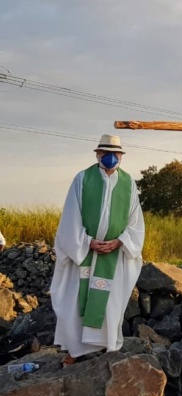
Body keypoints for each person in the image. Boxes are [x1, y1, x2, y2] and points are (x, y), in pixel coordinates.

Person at [51, 135, 145, 365]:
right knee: (76, 301)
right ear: (98, 154)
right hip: (84, 252)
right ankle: (75, 350)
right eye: (105, 153)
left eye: (116, 154)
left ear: (121, 156)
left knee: (111, 303)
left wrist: (120, 241)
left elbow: (136, 222)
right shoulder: (82, 178)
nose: (111, 157)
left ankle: (108, 348)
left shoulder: (128, 183)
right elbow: (71, 216)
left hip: (114, 254)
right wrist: (87, 241)